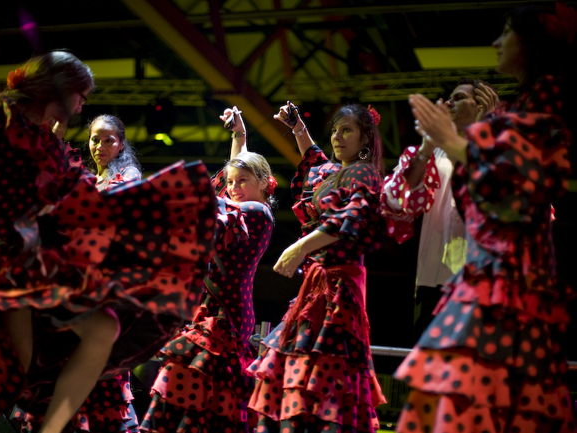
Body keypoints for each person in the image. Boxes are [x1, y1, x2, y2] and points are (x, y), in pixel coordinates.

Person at [0, 51, 217, 433]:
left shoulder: (43, 137)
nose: (82, 105)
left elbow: (76, 195)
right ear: (58, 90)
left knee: (100, 332)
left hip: (27, 263)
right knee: (3, 373)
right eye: (80, 95)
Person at [395, 3, 576, 432]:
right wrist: (436, 144)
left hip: (508, 273)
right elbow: (400, 199)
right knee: (470, 395)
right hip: (476, 273)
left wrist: (452, 141)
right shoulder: (521, 106)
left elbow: (517, 176)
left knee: (477, 394)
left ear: (532, 43)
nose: (496, 42)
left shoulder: (547, 97)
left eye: (507, 32)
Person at [246, 102, 387, 432]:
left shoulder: (364, 174)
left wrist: (299, 248)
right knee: (298, 369)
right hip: (316, 286)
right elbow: (315, 159)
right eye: (335, 130)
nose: (337, 136)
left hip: (340, 288)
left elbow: (347, 221)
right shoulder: (336, 172)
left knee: (325, 371)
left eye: (347, 130)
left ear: (366, 137)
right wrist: (298, 128)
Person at [141, 107, 275, 433]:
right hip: (204, 312)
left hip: (226, 317)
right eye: (229, 183)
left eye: (242, 181)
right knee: (186, 393)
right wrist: (238, 137)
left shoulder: (258, 212)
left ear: (263, 184)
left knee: (201, 398)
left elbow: (219, 211)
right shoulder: (232, 205)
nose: (233, 187)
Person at [12, 114, 143, 433]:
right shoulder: (86, 177)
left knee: (95, 362)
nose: (100, 146)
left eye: (108, 139)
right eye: (95, 139)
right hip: (73, 279)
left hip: (103, 284)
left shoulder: (127, 173)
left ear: (121, 144)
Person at [381, 79, 499, 342]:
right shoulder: (431, 152)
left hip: (483, 278)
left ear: (480, 105)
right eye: (448, 98)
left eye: (458, 98)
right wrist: (425, 148)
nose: (447, 103)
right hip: (434, 277)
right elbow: (394, 201)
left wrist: (485, 130)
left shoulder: (498, 150)